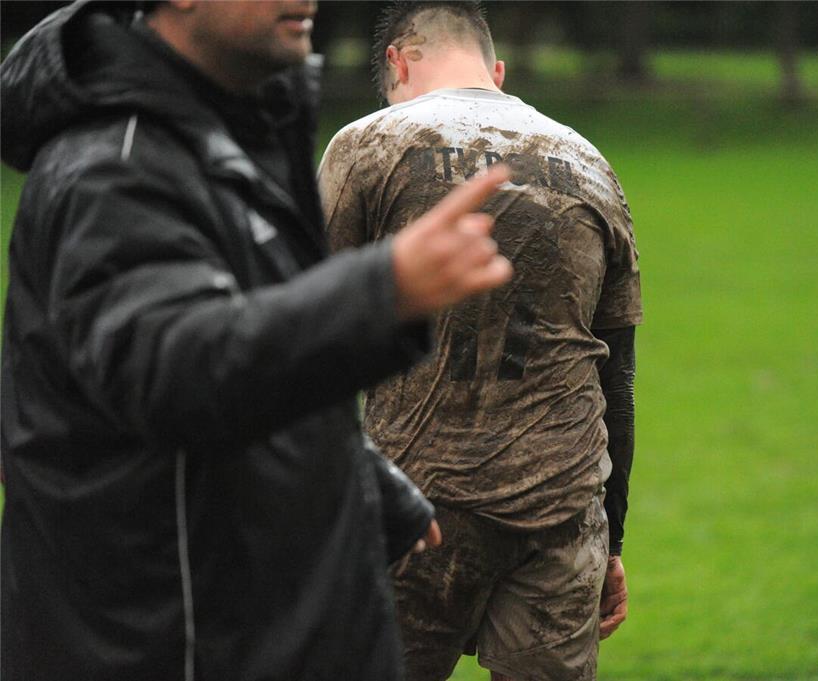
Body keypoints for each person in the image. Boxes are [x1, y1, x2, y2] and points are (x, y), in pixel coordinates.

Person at [0, 1, 512, 680]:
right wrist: (380, 288)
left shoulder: (238, 132)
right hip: (174, 639)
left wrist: (362, 483)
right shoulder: (115, 166)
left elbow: (254, 333)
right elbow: (178, 367)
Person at [318, 3, 642, 679]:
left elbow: (308, 337)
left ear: (398, 63)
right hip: (562, 509)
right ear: (497, 71)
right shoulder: (591, 164)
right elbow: (616, 376)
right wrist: (610, 537)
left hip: (413, 505)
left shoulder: (368, 144)